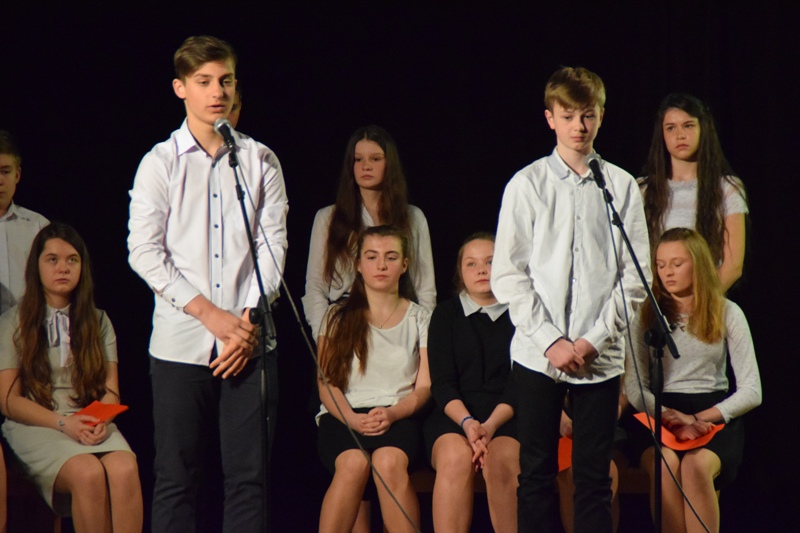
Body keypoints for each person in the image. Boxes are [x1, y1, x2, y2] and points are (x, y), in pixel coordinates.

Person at [127, 35, 288, 533]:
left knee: (250, 480)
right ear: (181, 88)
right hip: (181, 344)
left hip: (250, 343)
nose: (217, 91)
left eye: (225, 80)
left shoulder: (260, 159)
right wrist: (211, 315)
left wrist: (248, 322)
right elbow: (144, 252)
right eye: (204, 82)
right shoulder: (160, 162)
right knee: (177, 478)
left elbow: (272, 247)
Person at [491, 66, 650, 532]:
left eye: (588, 115)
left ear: (601, 116)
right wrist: (551, 341)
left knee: (594, 478)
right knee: (535, 475)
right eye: (568, 116)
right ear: (550, 119)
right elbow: (508, 275)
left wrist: (592, 340)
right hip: (539, 355)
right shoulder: (527, 184)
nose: (579, 126)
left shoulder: (620, 185)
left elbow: (634, 277)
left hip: (599, 354)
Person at [0, 222, 142, 532]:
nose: (63, 267)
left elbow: (111, 392)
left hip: (88, 419)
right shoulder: (13, 322)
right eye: (52, 259)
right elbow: (9, 401)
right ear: (36, 266)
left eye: (72, 260)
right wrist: (64, 424)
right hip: (38, 423)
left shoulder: (98, 321)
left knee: (125, 468)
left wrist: (99, 420)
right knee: (87, 472)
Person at [625, 227, 761, 533]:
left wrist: (699, 418)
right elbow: (635, 387)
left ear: (697, 264)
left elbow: (752, 390)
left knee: (696, 466)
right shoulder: (645, 315)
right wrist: (669, 416)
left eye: (677, 263)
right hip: (659, 412)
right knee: (666, 465)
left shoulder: (728, 312)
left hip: (711, 413)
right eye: (660, 265)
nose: (667, 272)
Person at [316, 225, 430, 533]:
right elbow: (326, 382)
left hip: (398, 415)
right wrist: (352, 419)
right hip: (344, 415)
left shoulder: (420, 317)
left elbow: (424, 387)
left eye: (391, 257)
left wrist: (393, 414)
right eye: (372, 256)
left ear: (404, 265)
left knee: (389, 462)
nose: (381, 265)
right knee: (353, 463)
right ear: (358, 264)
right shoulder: (336, 315)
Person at [302, 125, 436, 343]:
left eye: (375, 159)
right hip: (346, 321)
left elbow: (425, 288)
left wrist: (425, 339)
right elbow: (315, 286)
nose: (366, 166)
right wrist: (324, 336)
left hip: (399, 322)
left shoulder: (413, 217)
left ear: (389, 163)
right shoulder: (328, 218)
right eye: (358, 159)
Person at [424, 232, 519, 533]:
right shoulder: (445, 315)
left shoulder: (522, 312)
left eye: (490, 262)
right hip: (454, 415)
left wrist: (489, 426)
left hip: (508, 416)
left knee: (500, 460)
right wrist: (468, 424)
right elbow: (442, 383)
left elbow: (520, 384)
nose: (481, 270)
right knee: (455, 457)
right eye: (471, 264)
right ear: (460, 271)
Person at [640, 93, 747, 292]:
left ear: (702, 128)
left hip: (707, 299)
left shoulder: (726, 187)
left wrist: (700, 304)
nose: (680, 135)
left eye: (688, 126)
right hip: (656, 301)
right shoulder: (643, 190)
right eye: (671, 128)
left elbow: (733, 266)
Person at [0, 130, 49, 316]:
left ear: (17, 175)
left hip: (27, 328)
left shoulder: (38, 227)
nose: (0, 180)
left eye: (5, 172)